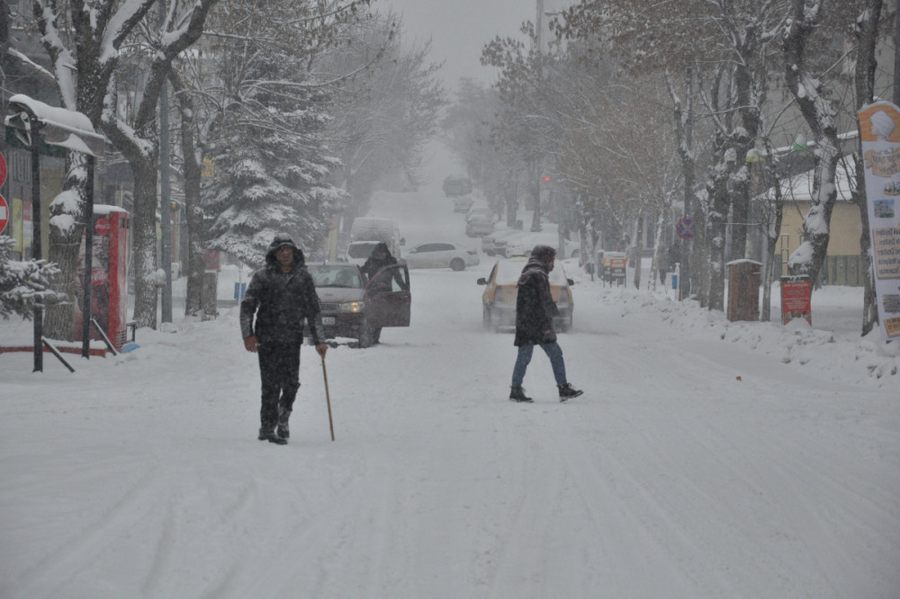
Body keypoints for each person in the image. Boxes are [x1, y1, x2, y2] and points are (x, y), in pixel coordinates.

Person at [241, 235, 328, 445]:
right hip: (267, 338)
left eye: (289, 249)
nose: (285, 253)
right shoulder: (262, 277)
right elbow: (247, 307)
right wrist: (248, 335)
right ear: (274, 253)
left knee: (290, 383)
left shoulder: (303, 278)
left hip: (291, 338)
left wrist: (320, 340)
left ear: (295, 252)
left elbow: (313, 311)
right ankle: (267, 427)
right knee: (270, 385)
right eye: (281, 250)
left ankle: (284, 415)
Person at [509, 245, 583, 403]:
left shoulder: (528, 272)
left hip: (525, 323)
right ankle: (563, 388)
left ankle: (516, 389)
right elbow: (545, 301)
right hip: (539, 324)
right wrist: (552, 319)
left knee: (524, 357)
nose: (553, 264)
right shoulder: (539, 274)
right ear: (545, 258)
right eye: (551, 260)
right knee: (556, 354)